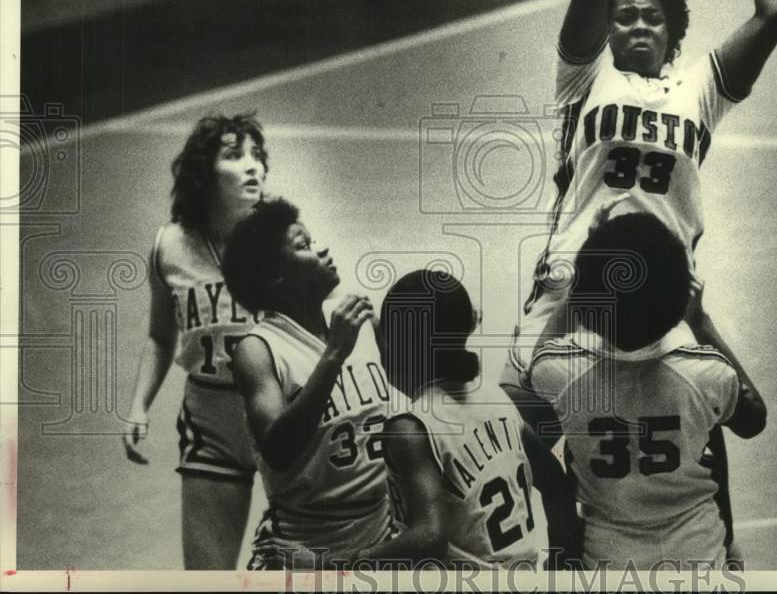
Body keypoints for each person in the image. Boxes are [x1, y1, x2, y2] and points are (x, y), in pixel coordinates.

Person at [500, 0, 777, 554]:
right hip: (576, 279)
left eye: (648, 17)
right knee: (533, 408)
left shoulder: (701, 89)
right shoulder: (583, 78)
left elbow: (775, 12)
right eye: (624, 15)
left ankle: (717, 542)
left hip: (665, 286)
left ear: (672, 36)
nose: (632, 22)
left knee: (690, 418)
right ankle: (569, 534)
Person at [529, 204, 767, 569]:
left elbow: (538, 358)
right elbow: (753, 418)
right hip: (699, 558)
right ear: (679, 296)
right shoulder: (706, 373)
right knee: (710, 429)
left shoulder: (560, 373)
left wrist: (584, 278)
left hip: (610, 564)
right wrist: (702, 323)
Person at [351, 269, 577, 569]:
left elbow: (429, 536)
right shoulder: (495, 397)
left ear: (398, 345)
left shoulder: (409, 427)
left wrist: (344, 560)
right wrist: (560, 565)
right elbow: (557, 485)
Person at [121, 113, 269, 569]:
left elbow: (324, 327)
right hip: (212, 428)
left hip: (283, 420)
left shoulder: (282, 235)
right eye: (235, 155)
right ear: (205, 173)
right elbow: (160, 336)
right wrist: (139, 405)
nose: (253, 167)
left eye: (257, 156)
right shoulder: (168, 246)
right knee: (207, 577)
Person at [221, 198, 393, 570]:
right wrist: (333, 355)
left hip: (380, 534)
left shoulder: (358, 319)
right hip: (304, 547)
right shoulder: (258, 349)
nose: (323, 249)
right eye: (304, 246)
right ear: (276, 276)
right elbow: (278, 449)